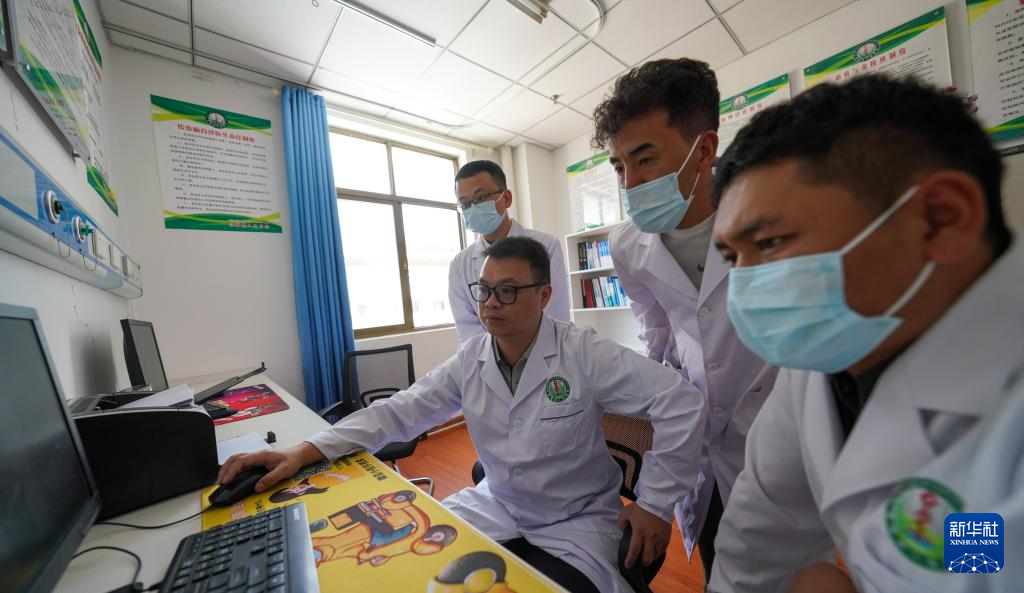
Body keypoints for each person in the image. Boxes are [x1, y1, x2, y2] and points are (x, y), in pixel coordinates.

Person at [220, 236, 708, 593]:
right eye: (485, 289)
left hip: (576, 521)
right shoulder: (471, 358)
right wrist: (304, 450)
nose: (491, 303)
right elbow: (399, 411)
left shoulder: (584, 351)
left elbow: (682, 401)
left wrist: (654, 502)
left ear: (544, 295)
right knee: (405, 573)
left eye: (508, 290)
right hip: (496, 503)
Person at [707, 74, 1021, 592]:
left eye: (770, 243)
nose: (745, 287)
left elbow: (988, 567)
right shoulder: (822, 356)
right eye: (731, 258)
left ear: (941, 219)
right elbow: (760, 528)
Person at [591, 58, 778, 580]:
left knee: (787, 563)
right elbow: (656, 330)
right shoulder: (627, 244)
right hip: (699, 435)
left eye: (645, 159)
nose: (631, 183)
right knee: (718, 557)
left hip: (775, 424)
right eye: (619, 166)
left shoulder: (770, 217)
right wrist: (664, 400)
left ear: (705, 149)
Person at [449, 160, 570, 342]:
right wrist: (499, 355)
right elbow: (468, 332)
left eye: (481, 198)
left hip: (544, 352)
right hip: (486, 356)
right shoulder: (460, 264)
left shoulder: (547, 245)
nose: (473, 209)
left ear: (506, 198)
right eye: (465, 204)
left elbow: (556, 315)